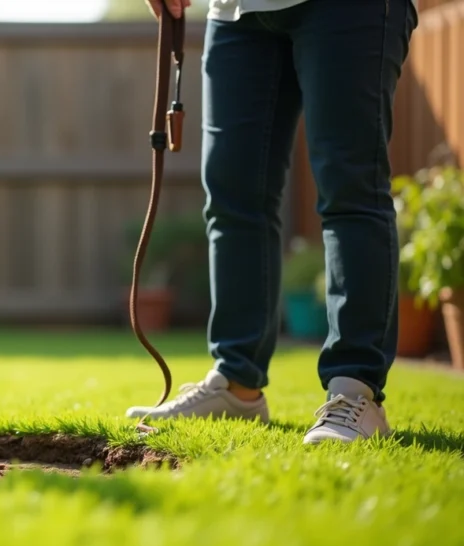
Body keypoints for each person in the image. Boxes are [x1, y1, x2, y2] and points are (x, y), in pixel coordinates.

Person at [129, 0, 419, 444]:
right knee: (233, 200)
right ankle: (237, 384)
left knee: (350, 190)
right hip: (236, 12)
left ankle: (354, 392)